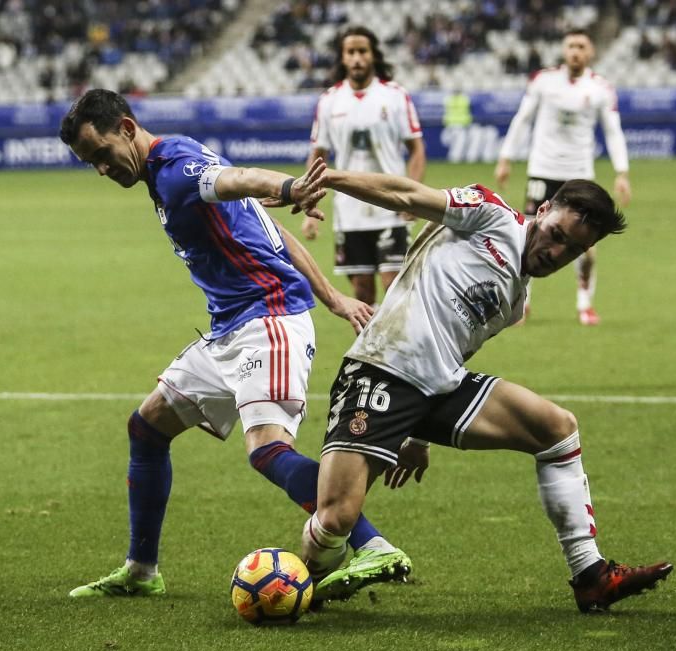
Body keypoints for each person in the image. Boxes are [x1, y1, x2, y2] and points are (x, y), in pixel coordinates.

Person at [57, 89, 412, 599]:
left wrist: (291, 187)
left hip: (267, 321)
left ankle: (373, 544)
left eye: (102, 155)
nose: (101, 170)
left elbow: (242, 179)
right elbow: (265, 227)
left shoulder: (178, 169)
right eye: (90, 163)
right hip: (229, 327)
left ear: (128, 129)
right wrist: (333, 296)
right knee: (147, 428)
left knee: (267, 450)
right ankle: (141, 572)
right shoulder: (168, 164)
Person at [296, 162, 673, 612]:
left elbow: (460, 350)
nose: (557, 252)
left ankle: (590, 575)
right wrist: (329, 180)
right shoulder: (490, 214)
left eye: (573, 250)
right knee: (337, 515)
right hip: (380, 370)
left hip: (440, 388)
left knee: (557, 429)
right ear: (544, 208)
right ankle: (306, 583)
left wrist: (416, 434)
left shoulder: (517, 299)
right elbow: (404, 194)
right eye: (556, 234)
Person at [495, 29, 631, 326]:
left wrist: (622, 172)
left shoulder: (600, 89)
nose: (575, 51)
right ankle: (522, 302)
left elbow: (613, 131)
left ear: (590, 52)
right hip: (542, 170)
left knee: (586, 248)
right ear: (563, 49)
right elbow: (523, 119)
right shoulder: (543, 81)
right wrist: (506, 157)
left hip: (580, 175)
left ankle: (584, 303)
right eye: (571, 45)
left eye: (581, 46)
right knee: (529, 237)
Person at [303, 25, 426, 307]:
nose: (357, 57)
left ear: (373, 56)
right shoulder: (329, 101)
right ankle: (368, 349)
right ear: (342, 58)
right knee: (362, 291)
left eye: (362, 51)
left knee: (394, 284)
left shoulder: (395, 96)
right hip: (350, 210)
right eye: (351, 52)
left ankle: (399, 349)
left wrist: (413, 196)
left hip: (390, 204)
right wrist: (310, 208)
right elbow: (318, 155)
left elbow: (416, 149)